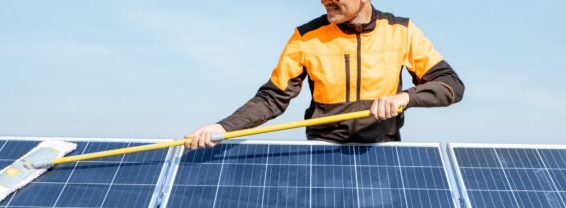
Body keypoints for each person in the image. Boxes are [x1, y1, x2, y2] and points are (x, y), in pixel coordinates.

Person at [186, 0, 464, 149]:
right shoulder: (305, 38)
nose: (324, 2)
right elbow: (272, 98)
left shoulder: (402, 31)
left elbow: (451, 85)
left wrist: (405, 97)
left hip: (382, 156)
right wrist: (223, 127)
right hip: (322, 154)